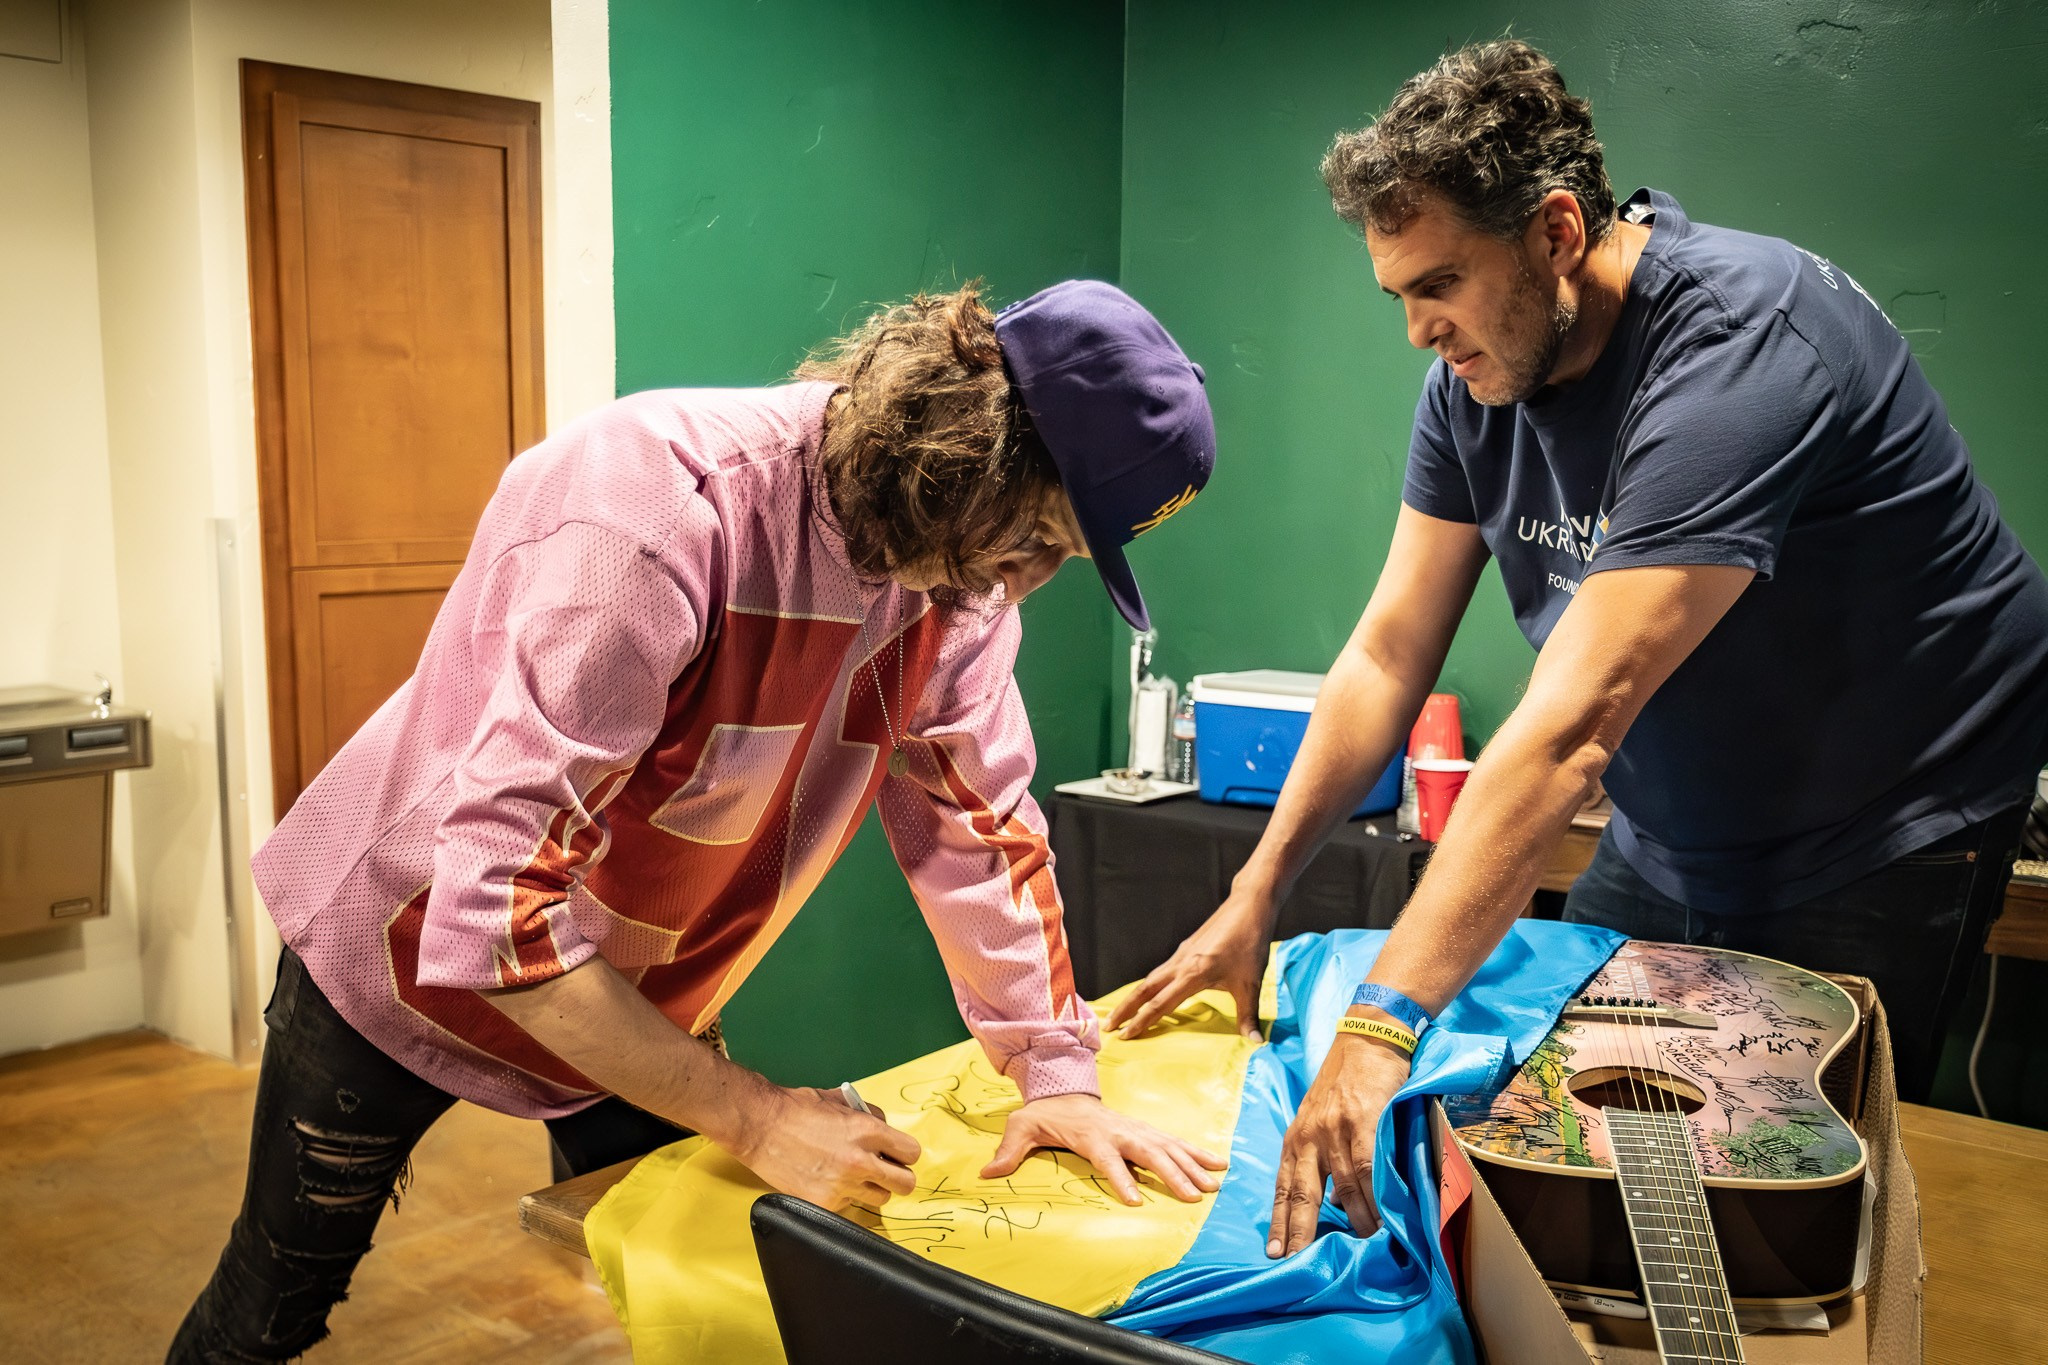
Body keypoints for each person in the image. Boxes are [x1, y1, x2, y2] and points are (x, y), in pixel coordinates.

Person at [1110, 39, 2048, 1260]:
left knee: (1786, 1201)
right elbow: (1389, 650)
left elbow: (1569, 726)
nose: (1414, 330)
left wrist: (1379, 1029)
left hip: (1885, 814)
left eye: (1437, 280)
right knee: (1587, 1148)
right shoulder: (1472, 378)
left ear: (1556, 229)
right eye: (1394, 291)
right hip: (1670, 819)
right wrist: (1253, 894)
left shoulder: (1741, 345)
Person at [171, 279, 1228, 1361]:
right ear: (973, 447)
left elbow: (979, 826)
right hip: (398, 951)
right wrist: (757, 1116)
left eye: (1065, 559)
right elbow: (492, 910)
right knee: (270, 1305)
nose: (1029, 582)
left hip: (630, 988)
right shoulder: (661, 502)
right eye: (1037, 537)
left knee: (664, 1261)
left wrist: (1056, 1072)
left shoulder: (959, 591)